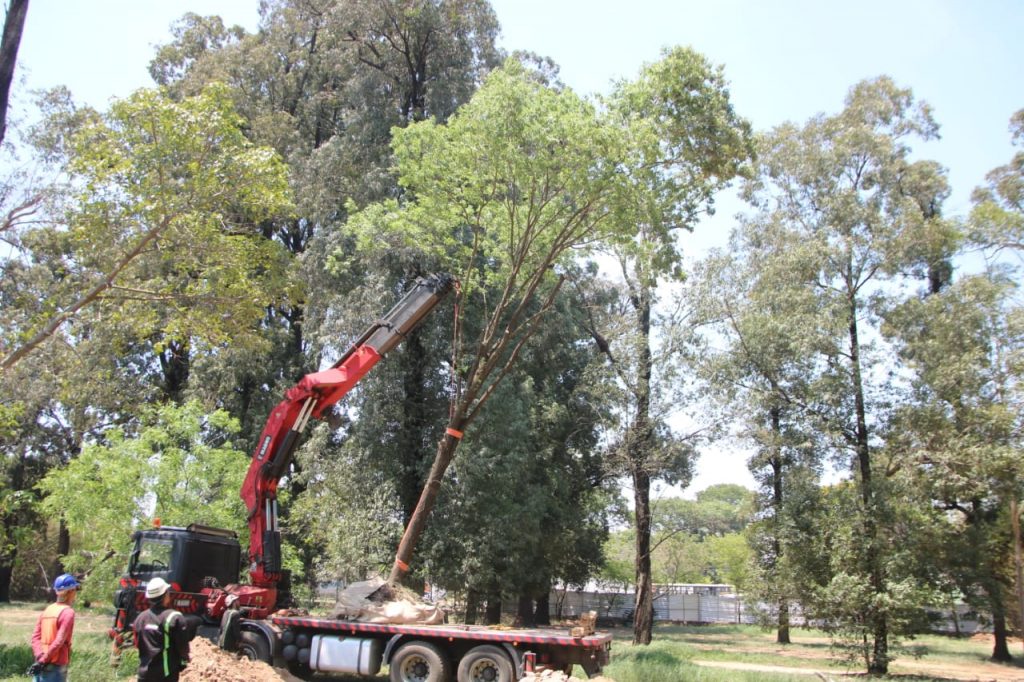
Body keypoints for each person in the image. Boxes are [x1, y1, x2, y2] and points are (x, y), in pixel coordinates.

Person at [132, 577, 191, 681]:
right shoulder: (174, 617)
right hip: (165, 675)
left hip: (144, 675)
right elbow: (182, 646)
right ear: (166, 595)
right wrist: (184, 660)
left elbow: (137, 644)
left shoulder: (140, 618)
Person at [29, 573, 80, 682]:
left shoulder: (48, 610)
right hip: (55, 665)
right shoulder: (68, 612)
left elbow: (35, 637)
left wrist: (40, 657)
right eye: (75, 589)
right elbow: (59, 641)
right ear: (70, 591)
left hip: (40, 662)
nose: (76, 593)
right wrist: (43, 660)